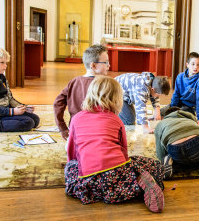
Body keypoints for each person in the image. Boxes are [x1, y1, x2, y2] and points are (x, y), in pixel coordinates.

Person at [64, 76, 165, 213]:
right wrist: (130, 169)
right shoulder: (116, 121)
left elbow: (72, 151)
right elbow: (124, 152)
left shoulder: (76, 119)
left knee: (71, 167)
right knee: (148, 164)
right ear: (117, 99)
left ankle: (104, 191)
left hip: (87, 178)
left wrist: (74, 168)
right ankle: (138, 182)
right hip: (116, 172)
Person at [54, 44, 110, 140]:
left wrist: (62, 127)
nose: (109, 65)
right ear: (93, 65)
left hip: (75, 131)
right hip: (97, 133)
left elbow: (57, 103)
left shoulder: (74, 81)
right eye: (106, 62)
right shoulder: (104, 84)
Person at [168, 52, 199, 125]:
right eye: (193, 64)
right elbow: (176, 94)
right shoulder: (180, 77)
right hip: (179, 103)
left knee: (180, 115)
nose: (195, 67)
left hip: (189, 107)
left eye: (198, 65)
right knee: (164, 112)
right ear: (187, 64)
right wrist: (172, 108)